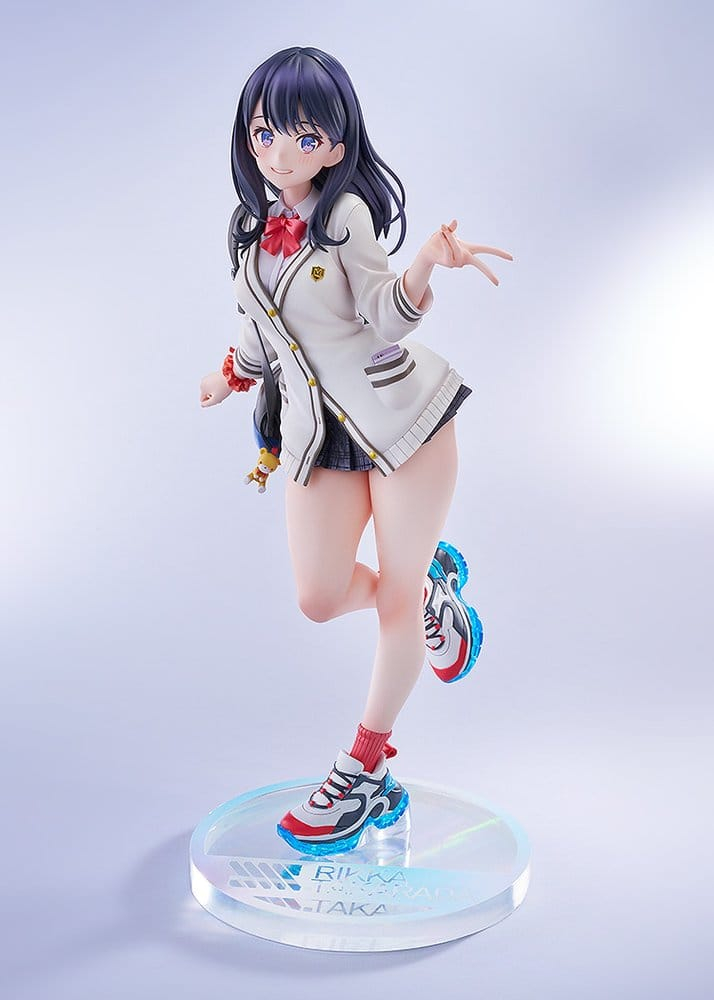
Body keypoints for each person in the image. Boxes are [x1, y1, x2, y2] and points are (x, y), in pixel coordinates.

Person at [199, 46, 512, 855]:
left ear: (336, 145)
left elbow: (384, 314)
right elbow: (262, 326)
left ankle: (365, 768)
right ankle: (435, 588)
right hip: (316, 435)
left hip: (403, 420)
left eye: (303, 137)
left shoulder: (344, 217)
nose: (279, 153)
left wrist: (425, 265)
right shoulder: (248, 229)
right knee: (318, 595)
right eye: (265, 132)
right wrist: (231, 375)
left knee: (394, 601)